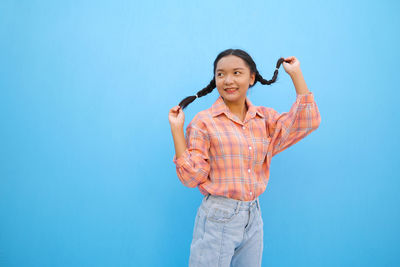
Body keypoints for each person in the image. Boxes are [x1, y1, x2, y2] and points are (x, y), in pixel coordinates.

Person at [168, 48, 321, 267]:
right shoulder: (204, 122)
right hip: (217, 216)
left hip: (253, 215)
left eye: (236, 73)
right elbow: (191, 178)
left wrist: (296, 74)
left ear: (251, 78)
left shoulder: (264, 119)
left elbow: (307, 121)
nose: (228, 80)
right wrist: (177, 130)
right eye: (221, 74)